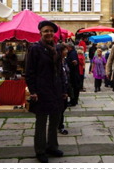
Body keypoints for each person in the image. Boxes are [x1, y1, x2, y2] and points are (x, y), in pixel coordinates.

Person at [26, 20, 67, 163]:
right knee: (41, 122)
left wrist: (63, 89)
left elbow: (60, 71)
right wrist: (33, 91)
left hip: (55, 90)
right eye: (46, 31)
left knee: (55, 120)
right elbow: (30, 72)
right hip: (41, 91)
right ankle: (40, 150)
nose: (49, 33)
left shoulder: (55, 49)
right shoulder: (35, 49)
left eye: (51, 31)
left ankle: (52, 146)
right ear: (41, 33)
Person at [58, 44, 70, 135]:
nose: (67, 51)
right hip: (59, 88)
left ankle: (59, 124)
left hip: (65, 85)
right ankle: (60, 126)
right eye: (65, 50)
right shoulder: (57, 62)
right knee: (60, 107)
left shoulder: (65, 61)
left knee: (64, 106)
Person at [66, 41, 81, 106]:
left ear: (69, 47)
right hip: (74, 73)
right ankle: (74, 100)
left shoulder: (72, 53)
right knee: (75, 87)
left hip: (74, 74)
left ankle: (73, 101)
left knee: (74, 87)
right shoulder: (72, 52)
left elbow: (74, 63)